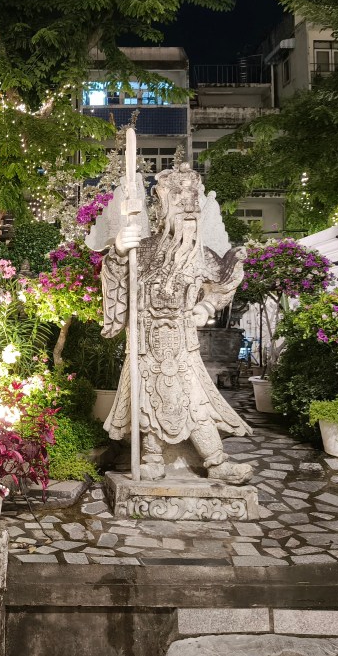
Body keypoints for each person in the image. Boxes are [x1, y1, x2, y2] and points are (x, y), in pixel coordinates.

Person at [101, 164, 253, 484]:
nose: (187, 205)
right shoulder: (143, 249)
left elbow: (226, 280)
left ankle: (216, 461)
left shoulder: (200, 255)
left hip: (183, 344)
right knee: (146, 399)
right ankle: (152, 459)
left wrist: (206, 305)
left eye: (192, 199)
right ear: (162, 207)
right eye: (178, 198)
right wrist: (119, 250)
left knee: (195, 401)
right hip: (145, 341)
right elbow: (116, 277)